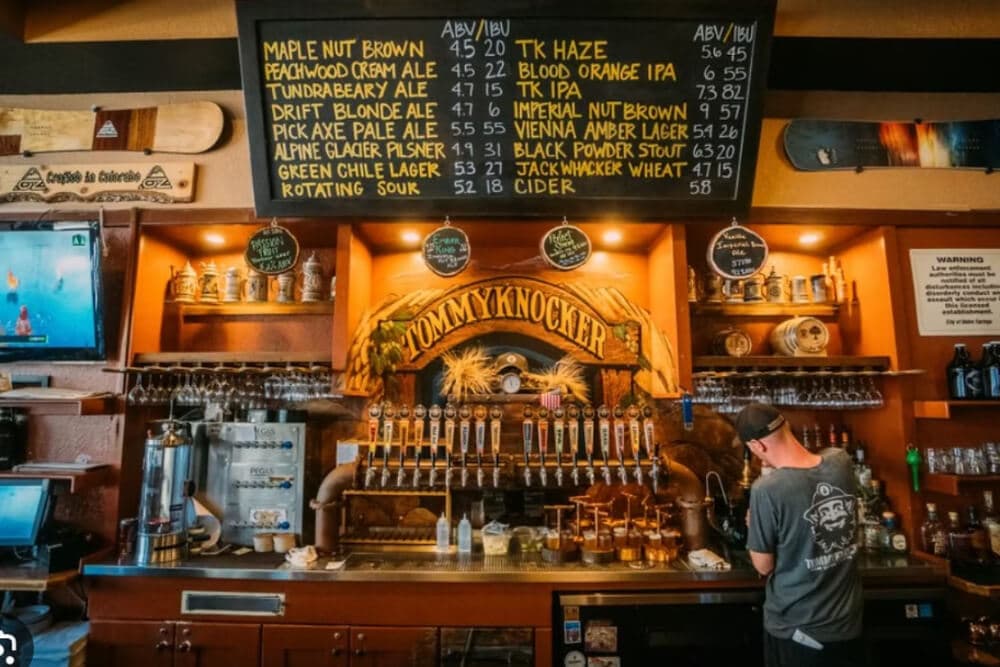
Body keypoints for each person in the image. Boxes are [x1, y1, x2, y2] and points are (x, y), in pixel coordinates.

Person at [736, 402, 863, 667]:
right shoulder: (840, 461)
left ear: (758, 446)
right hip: (849, 625)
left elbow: (763, 565)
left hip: (798, 632)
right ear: (787, 426)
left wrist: (754, 525)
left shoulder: (767, 490)